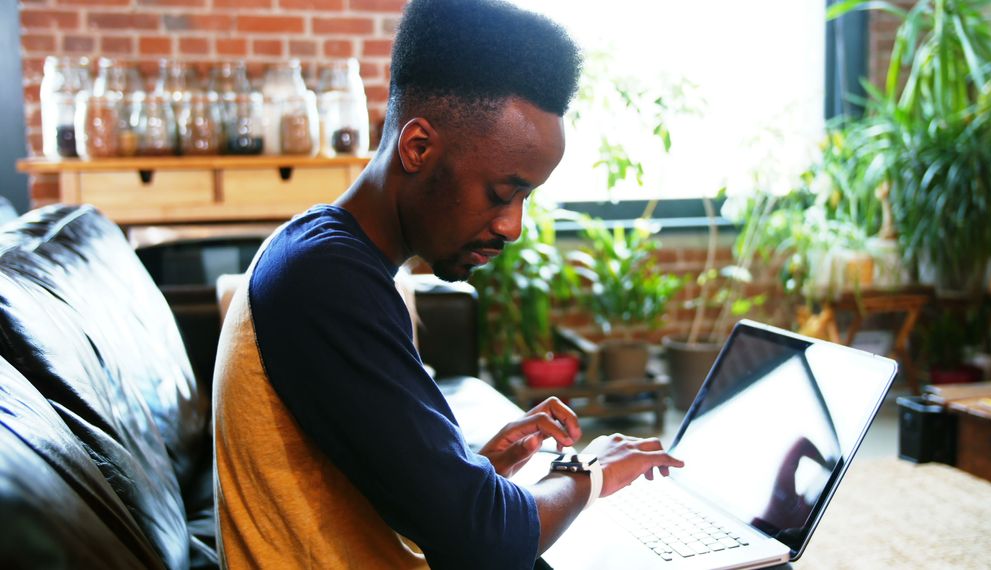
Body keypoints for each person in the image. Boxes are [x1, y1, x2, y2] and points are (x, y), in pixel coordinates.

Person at [212, 0, 684, 567]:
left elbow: (381, 489)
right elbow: (481, 542)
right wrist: (590, 472)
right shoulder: (324, 280)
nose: (513, 225)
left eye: (525, 197)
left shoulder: (321, 252)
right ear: (417, 147)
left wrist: (477, 468)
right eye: (501, 192)